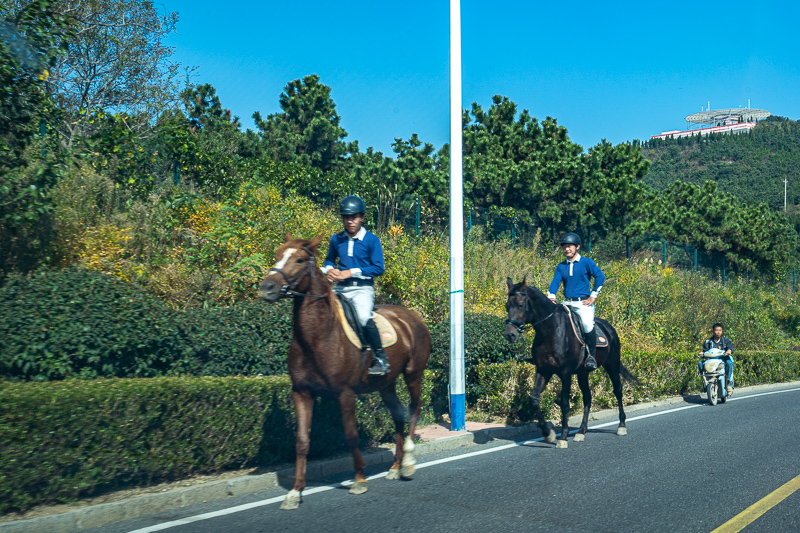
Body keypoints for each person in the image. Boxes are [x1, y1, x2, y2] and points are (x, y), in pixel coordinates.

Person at [321, 195, 390, 376]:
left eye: (354, 217)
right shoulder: (336, 239)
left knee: (361, 317)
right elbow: (328, 260)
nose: (350, 221)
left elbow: (378, 268)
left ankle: (381, 358)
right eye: (346, 217)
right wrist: (328, 270)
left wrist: (350, 272)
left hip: (362, 290)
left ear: (361, 217)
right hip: (340, 289)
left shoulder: (371, 240)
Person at [547, 232, 606, 370]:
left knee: (586, 325)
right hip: (567, 302)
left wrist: (593, 295)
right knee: (552, 321)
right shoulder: (561, 266)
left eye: (570, 246)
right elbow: (555, 282)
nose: (567, 249)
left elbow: (600, 277)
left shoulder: (587, 262)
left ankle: (591, 356)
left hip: (583, 303)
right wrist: (551, 296)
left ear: (577, 247)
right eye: (565, 247)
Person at [699, 323, 734, 394]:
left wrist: (729, 351)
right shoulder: (708, 341)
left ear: (722, 331)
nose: (718, 332)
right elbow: (705, 351)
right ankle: (704, 382)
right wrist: (702, 353)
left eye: (720, 330)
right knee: (700, 363)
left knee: (729, 363)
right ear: (713, 331)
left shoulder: (726, 341)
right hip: (711, 360)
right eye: (716, 330)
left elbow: (730, 349)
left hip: (723, 359)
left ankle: (728, 383)